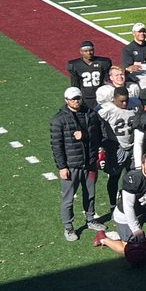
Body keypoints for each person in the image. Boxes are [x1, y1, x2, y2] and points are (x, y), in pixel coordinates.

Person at [50, 86, 104, 241]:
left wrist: (85, 135)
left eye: (78, 98)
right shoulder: (58, 120)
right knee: (68, 198)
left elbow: (99, 135)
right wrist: (62, 167)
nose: (76, 101)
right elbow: (56, 146)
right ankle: (68, 227)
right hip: (71, 165)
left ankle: (90, 219)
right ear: (66, 100)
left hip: (89, 163)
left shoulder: (91, 114)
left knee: (91, 194)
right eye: (73, 99)